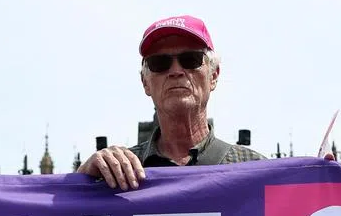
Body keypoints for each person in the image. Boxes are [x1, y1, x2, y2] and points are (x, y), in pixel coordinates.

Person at [79, 15, 263, 190]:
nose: (176, 71)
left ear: (213, 76)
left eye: (191, 60)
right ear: (145, 82)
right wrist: (81, 183)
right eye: (159, 63)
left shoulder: (256, 171)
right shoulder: (117, 174)